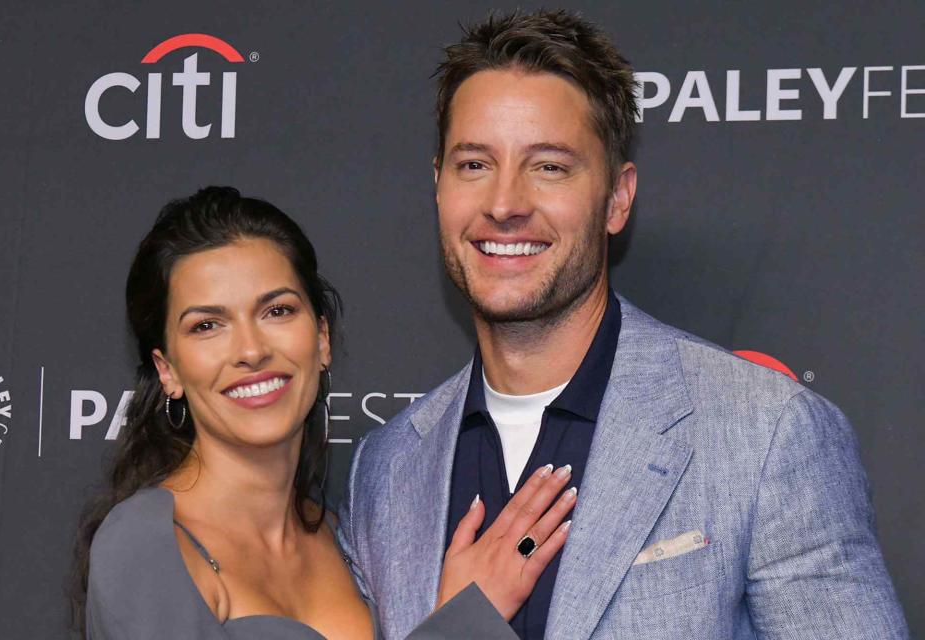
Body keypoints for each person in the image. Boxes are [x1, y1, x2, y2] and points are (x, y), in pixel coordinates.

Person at [337, 10, 909, 640]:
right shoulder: (385, 472)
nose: (503, 204)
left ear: (617, 199)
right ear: (438, 186)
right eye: (474, 164)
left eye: (549, 166)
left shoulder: (767, 434)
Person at [69, 187, 578, 639]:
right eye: (207, 326)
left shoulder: (343, 535)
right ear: (168, 370)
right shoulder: (144, 546)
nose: (250, 350)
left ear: (322, 338)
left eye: (277, 311)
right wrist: (468, 620)